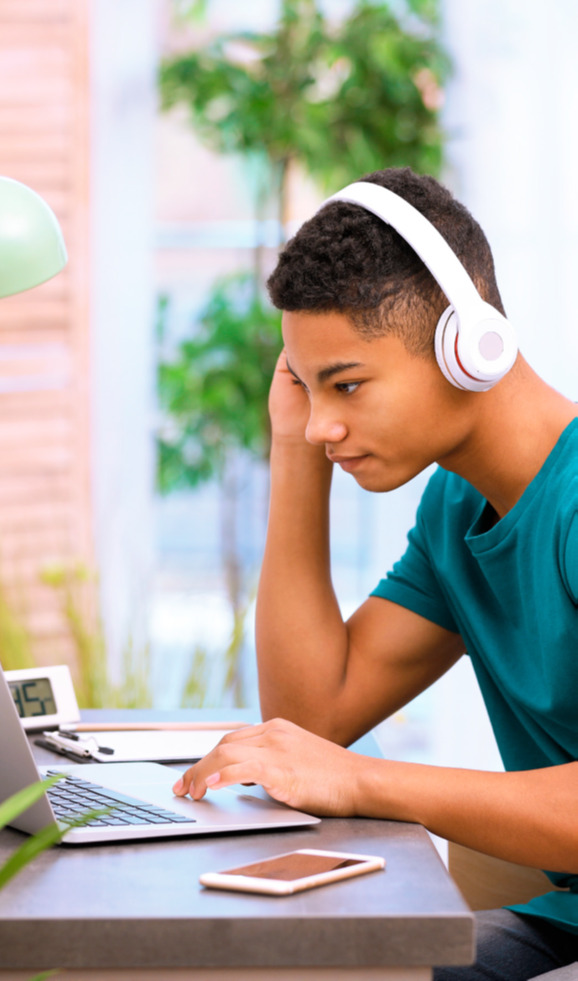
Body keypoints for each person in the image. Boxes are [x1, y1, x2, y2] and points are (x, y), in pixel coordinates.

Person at [173, 167, 578, 979]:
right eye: (307, 386)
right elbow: (312, 718)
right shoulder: (457, 510)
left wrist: (364, 781)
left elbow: (335, 760)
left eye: (348, 384)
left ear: (471, 347)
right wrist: (295, 452)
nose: (325, 422)